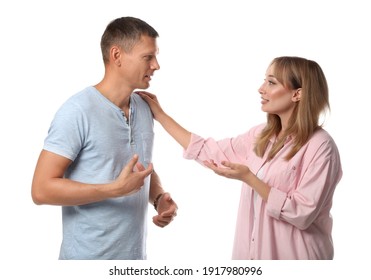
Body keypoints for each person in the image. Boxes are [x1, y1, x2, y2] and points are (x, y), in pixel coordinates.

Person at [138, 56, 343, 260]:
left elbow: (302, 213)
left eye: (271, 82)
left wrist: (250, 178)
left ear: (297, 94)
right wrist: (161, 115)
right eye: (265, 80)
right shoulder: (261, 135)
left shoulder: (321, 146)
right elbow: (210, 151)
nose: (261, 88)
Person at [31, 16, 177, 260]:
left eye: (156, 56)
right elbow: (41, 189)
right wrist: (114, 189)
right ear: (117, 55)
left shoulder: (144, 107)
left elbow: (139, 167)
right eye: (148, 57)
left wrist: (159, 197)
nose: (156, 65)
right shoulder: (77, 111)